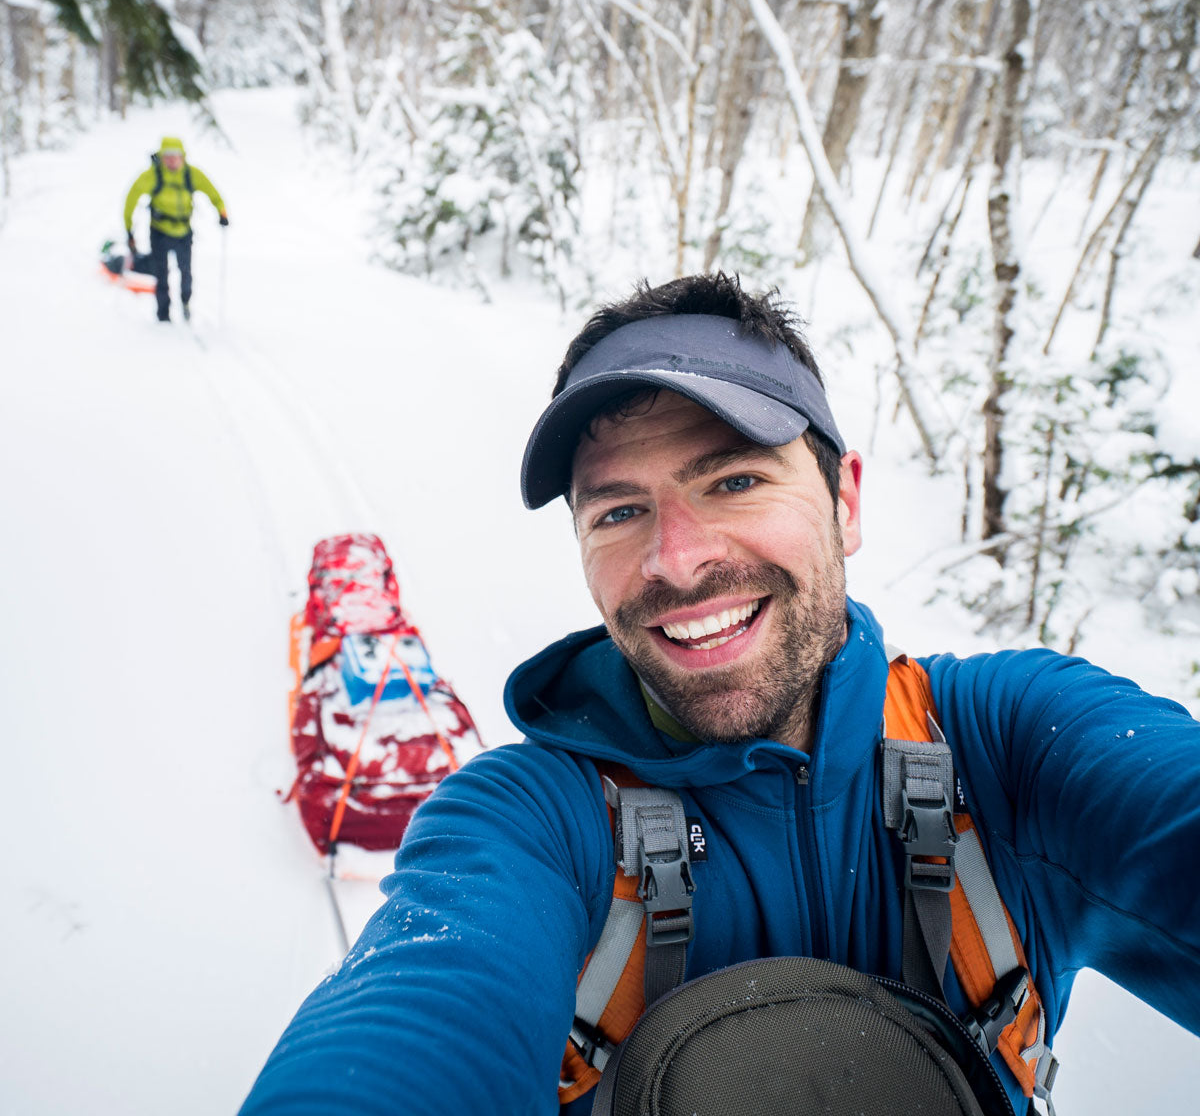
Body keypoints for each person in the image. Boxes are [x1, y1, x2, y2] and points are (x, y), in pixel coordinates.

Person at [240, 273, 1200, 1115]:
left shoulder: (1015, 745)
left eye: (735, 479)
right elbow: (423, 1009)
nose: (676, 560)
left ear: (846, 500)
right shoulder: (529, 822)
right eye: (620, 510)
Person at [122, 136, 228, 323]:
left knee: (185, 272)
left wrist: (222, 212)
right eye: (167, 156)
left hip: (183, 232)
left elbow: (213, 192)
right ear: (161, 157)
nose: (171, 160)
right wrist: (129, 230)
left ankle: (185, 302)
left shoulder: (191, 174)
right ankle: (163, 315)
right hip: (159, 231)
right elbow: (131, 200)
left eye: (175, 156)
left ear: (183, 157)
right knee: (161, 274)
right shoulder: (152, 176)